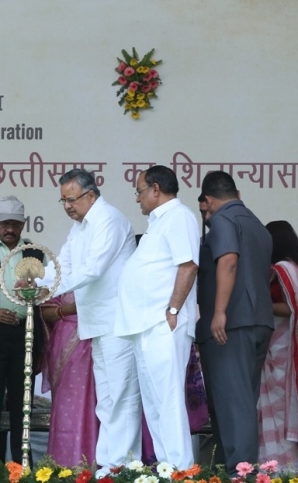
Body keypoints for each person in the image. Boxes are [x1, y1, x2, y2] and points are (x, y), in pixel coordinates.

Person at [36, 168, 138, 474]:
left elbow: (93, 269)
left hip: (117, 322)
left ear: (90, 195)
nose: (67, 206)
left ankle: (123, 467)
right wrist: (36, 283)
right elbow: (62, 266)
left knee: (120, 396)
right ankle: (108, 464)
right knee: (106, 398)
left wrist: (48, 289)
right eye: (63, 201)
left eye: (71, 199)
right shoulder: (79, 227)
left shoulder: (108, 219)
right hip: (96, 323)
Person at [116, 165, 200, 468]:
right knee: (153, 404)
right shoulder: (158, 222)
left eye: (139, 191)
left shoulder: (179, 216)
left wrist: (173, 309)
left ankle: (181, 470)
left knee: (167, 400)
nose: (137, 198)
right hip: (146, 325)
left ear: (155, 189)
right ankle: (167, 468)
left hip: (164, 323)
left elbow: (188, 265)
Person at [196, 170, 273, 471]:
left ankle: (240, 474)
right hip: (258, 322)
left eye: (205, 211)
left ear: (209, 201)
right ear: (238, 194)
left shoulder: (223, 220)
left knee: (232, 403)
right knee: (242, 400)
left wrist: (219, 312)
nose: (206, 216)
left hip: (231, 324)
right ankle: (234, 470)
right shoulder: (258, 225)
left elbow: (228, 261)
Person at [0, 195, 44, 463]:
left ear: (23, 224)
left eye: (15, 224)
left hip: (25, 336)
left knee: (22, 404)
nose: (10, 229)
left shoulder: (35, 253)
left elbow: (44, 296)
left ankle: (21, 464)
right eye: (5, 223)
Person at [39, 292, 98, 466]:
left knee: (100, 404)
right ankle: (63, 466)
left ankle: (97, 466)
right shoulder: (59, 277)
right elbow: (45, 312)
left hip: (101, 338)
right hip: (66, 343)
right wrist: (68, 309)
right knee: (67, 405)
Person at [258, 220, 298, 465]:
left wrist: (261, 305)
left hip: (283, 345)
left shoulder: (283, 269)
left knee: (280, 407)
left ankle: (283, 464)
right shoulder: (293, 266)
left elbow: (291, 308)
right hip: (280, 343)